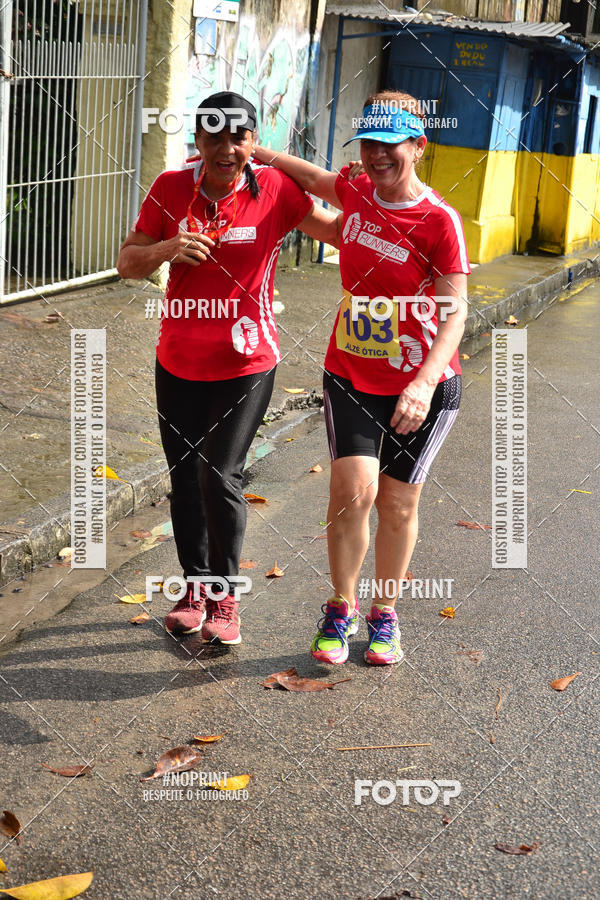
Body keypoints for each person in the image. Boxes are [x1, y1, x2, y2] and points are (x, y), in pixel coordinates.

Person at [253, 90, 470, 666]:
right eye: (368, 144)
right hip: (350, 371)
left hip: (419, 383)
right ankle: (339, 607)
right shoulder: (356, 190)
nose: (376, 157)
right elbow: (317, 178)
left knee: (397, 504)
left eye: (389, 145)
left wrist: (422, 383)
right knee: (352, 492)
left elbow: (456, 314)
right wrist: (258, 152)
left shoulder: (439, 222)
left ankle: (384, 616)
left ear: (419, 148)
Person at [116, 91, 339, 644]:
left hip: (248, 361)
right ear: (198, 141)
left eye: (238, 137)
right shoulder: (171, 188)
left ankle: (224, 597)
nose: (226, 148)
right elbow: (126, 263)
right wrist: (169, 247)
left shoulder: (276, 191)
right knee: (185, 479)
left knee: (220, 473)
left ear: (252, 143)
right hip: (180, 360)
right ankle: (194, 586)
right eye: (213, 136)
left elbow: (339, 229)